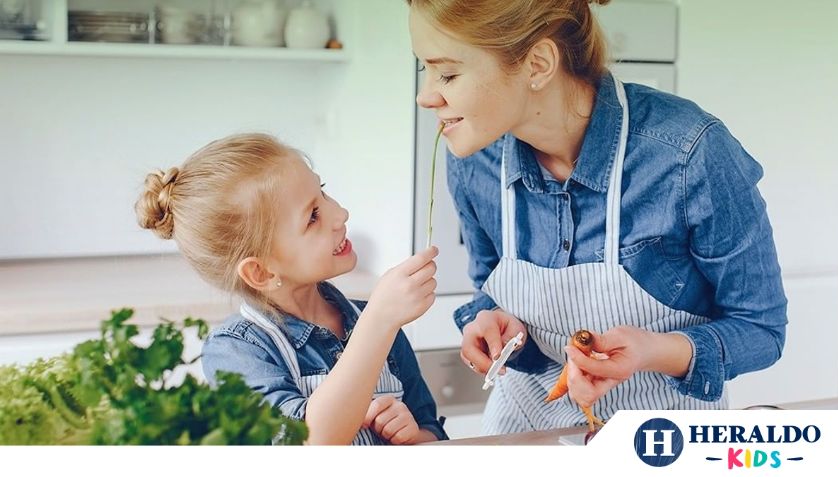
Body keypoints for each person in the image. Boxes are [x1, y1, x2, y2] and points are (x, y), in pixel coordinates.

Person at [408, 0, 788, 434]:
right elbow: (489, 290)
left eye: (448, 73)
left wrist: (652, 350)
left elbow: (761, 329)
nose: (426, 95)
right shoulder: (475, 161)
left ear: (537, 64)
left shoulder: (688, 154)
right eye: (425, 69)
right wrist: (500, 329)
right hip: (526, 428)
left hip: (661, 437)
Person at [135, 133, 447, 445]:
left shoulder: (376, 319)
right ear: (261, 271)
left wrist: (414, 437)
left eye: (323, 193)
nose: (340, 215)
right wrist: (377, 322)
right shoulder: (237, 351)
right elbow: (304, 446)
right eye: (313, 216)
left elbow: (437, 438)